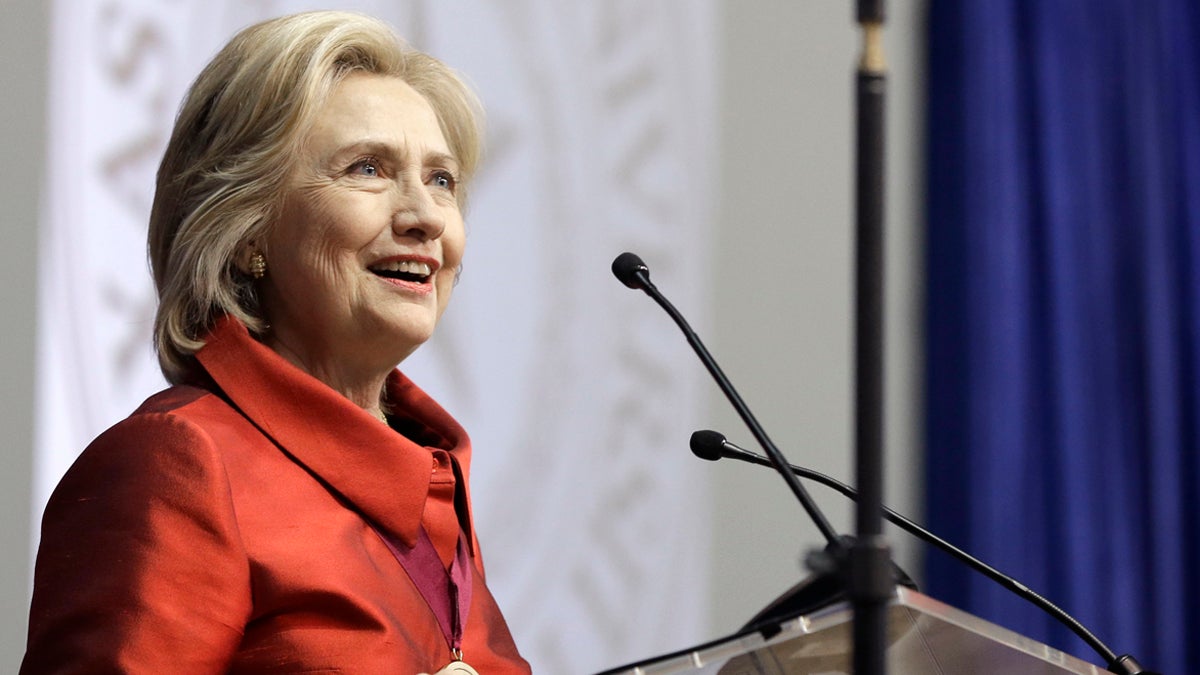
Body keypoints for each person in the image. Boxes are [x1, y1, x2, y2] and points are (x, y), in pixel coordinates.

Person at [22, 11, 530, 674]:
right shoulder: (178, 466)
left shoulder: (433, 487)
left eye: (442, 180)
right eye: (368, 168)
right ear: (247, 231)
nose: (427, 217)